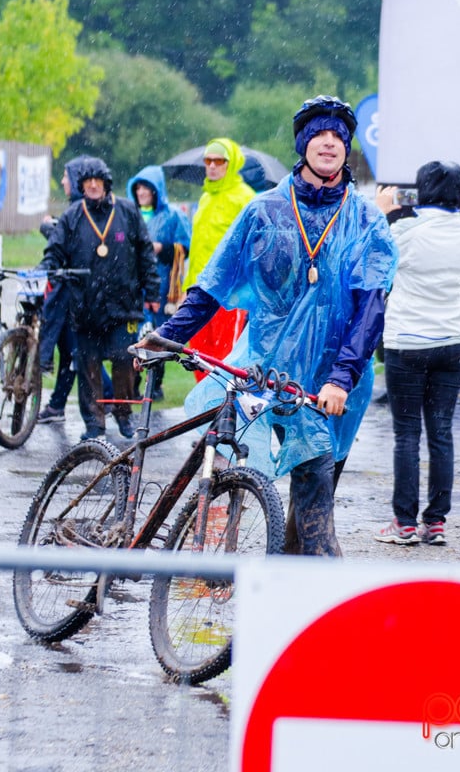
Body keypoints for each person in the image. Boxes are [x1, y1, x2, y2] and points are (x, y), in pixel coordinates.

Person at [135, 95, 398, 556]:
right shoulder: (264, 212)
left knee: (314, 508)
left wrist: (342, 377)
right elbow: (213, 285)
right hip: (260, 372)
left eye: (339, 136)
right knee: (227, 470)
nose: (330, 142)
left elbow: (370, 310)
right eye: (319, 133)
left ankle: (301, 599)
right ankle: (212, 562)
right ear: (303, 143)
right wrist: (168, 336)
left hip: (329, 388)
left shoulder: (367, 222)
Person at [374, 160, 460, 547]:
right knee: (441, 433)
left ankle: (403, 523)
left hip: (407, 342)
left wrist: (382, 212)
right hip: (453, 341)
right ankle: (435, 521)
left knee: (406, 435)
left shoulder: (403, 229)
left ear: (420, 191)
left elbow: (376, 261)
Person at [40, 156, 160, 440]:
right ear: (82, 186)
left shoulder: (128, 212)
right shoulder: (72, 216)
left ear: (106, 184)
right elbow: (55, 249)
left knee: (123, 361)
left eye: (98, 181)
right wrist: (48, 268)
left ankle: (122, 412)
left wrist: (153, 291)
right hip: (84, 306)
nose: (93, 186)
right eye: (87, 182)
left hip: (123, 305)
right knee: (88, 366)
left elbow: (145, 253)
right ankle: (94, 424)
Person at [37, 156, 113, 424]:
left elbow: (75, 242)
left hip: (79, 295)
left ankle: (110, 396)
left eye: (67, 177)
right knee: (72, 352)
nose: (63, 182)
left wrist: (48, 227)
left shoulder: (85, 210)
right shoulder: (74, 208)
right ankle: (58, 404)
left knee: (78, 351)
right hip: (69, 293)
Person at [182, 138, 256, 380]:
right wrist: (188, 287)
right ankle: (206, 412)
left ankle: (226, 413)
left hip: (229, 294)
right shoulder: (204, 199)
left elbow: (254, 246)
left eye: (219, 160)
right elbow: (198, 248)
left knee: (225, 358)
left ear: (231, 162)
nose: (212, 166)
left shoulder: (245, 198)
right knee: (198, 356)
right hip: (199, 291)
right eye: (208, 160)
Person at [126, 164, 191, 400]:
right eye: (138, 188)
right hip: (135, 283)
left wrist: (161, 248)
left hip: (163, 285)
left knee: (157, 334)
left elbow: (185, 246)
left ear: (156, 190)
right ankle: (132, 385)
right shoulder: (129, 213)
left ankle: (155, 384)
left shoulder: (173, 216)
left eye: (147, 188)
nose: (142, 192)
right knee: (134, 333)